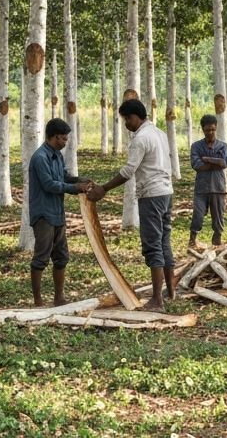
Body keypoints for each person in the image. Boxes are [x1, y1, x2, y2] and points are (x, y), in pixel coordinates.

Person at [88, 98, 175, 312]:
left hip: (151, 195)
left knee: (153, 245)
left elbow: (128, 171)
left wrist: (104, 189)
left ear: (136, 116)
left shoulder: (141, 138)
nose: (127, 124)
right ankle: (170, 292)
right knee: (164, 242)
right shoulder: (160, 134)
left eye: (127, 119)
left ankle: (157, 300)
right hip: (166, 192)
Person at [27, 118, 94, 306]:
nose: (65, 143)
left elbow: (63, 177)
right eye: (63, 139)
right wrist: (75, 188)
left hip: (57, 213)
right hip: (43, 214)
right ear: (53, 137)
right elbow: (49, 184)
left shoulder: (57, 156)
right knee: (41, 257)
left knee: (61, 257)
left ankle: (59, 298)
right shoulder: (40, 158)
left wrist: (79, 180)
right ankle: (38, 301)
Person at [188, 113, 227, 250]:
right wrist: (215, 162)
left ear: (216, 128)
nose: (210, 132)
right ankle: (192, 239)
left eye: (212, 129)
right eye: (207, 130)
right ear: (203, 130)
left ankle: (217, 241)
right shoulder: (196, 146)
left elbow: (224, 163)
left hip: (218, 187)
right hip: (201, 188)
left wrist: (206, 159)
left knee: (218, 219)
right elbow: (197, 166)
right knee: (198, 215)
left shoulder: (223, 146)